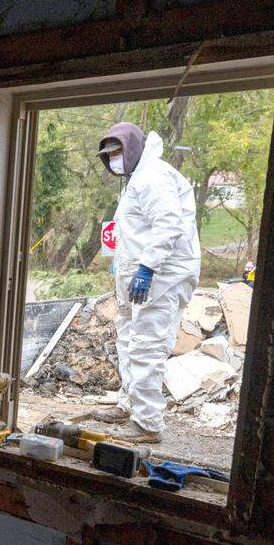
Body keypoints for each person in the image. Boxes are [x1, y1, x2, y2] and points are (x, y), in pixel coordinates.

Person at [92, 122, 201, 444]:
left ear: (133, 148)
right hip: (139, 276)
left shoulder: (153, 177)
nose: (113, 160)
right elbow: (136, 231)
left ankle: (148, 424)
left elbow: (167, 226)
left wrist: (147, 268)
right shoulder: (137, 178)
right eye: (108, 155)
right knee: (128, 342)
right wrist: (123, 267)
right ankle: (129, 406)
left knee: (147, 347)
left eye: (117, 152)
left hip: (162, 277)